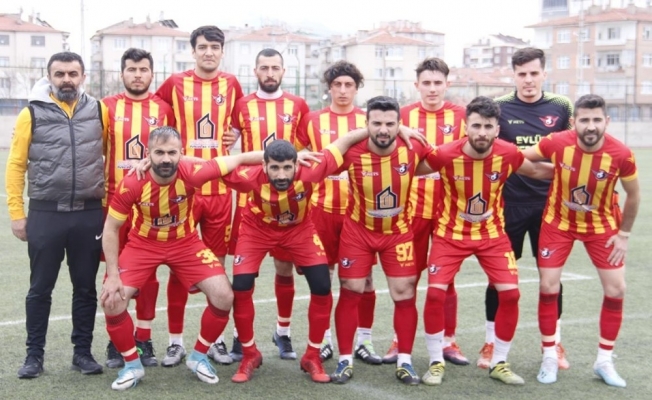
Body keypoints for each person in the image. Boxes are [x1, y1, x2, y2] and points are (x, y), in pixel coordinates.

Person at [101, 126, 263, 390]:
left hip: (185, 243)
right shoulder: (133, 181)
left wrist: (291, 157)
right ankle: (132, 365)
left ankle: (198, 356)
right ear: (148, 154)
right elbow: (111, 228)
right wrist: (112, 275)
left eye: (172, 153)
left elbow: (240, 158)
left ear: (181, 153)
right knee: (111, 300)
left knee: (224, 295)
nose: (166, 159)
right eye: (159, 153)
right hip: (143, 245)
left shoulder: (193, 172)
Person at [417, 96, 552, 386]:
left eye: (488, 126)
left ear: (497, 129)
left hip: (492, 235)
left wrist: (573, 170)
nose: (482, 132)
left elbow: (536, 171)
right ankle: (435, 361)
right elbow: (411, 169)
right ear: (466, 127)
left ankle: (499, 362)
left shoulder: (508, 153)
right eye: (476, 126)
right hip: (450, 235)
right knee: (435, 294)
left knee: (511, 295)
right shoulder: (445, 154)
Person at [222, 132, 374, 384]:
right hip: (256, 231)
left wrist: (383, 128)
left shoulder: (312, 169)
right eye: (274, 168)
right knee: (241, 286)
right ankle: (249, 354)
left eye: (287, 168)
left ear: (296, 164)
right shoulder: (248, 176)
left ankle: (312, 356)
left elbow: (343, 142)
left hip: (299, 230)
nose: (281, 175)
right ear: (264, 166)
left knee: (322, 285)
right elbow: (212, 166)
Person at [527, 94, 639, 387]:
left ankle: (604, 361)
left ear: (607, 121)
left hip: (602, 227)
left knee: (616, 289)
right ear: (574, 122)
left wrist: (624, 235)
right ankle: (549, 355)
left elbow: (634, 195)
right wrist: (550, 171)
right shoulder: (556, 143)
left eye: (597, 120)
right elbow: (523, 158)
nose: (591, 126)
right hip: (558, 224)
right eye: (585, 120)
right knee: (548, 286)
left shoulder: (621, 154)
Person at [6, 51, 105, 378]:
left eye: (72, 74)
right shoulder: (30, 114)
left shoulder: (98, 110)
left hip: (89, 215)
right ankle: (34, 356)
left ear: (83, 77)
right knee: (40, 288)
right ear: (49, 77)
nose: (66, 80)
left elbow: (108, 155)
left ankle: (83, 353)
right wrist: (17, 213)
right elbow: (16, 165)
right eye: (60, 74)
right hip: (46, 214)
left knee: (86, 288)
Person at [478, 47, 574, 370]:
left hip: (550, 207)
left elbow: (571, 149)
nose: (528, 80)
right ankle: (491, 343)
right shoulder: (500, 107)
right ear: (514, 75)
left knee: (551, 279)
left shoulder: (561, 106)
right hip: (508, 206)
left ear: (544, 74)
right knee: (498, 278)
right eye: (522, 74)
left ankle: (554, 344)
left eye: (534, 73)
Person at [155, 25, 243, 367]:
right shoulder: (174, 83)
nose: (209, 52)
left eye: (215, 47)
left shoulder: (232, 84)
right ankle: (175, 342)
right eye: (203, 46)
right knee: (178, 266)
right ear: (193, 51)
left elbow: (238, 124)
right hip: (182, 189)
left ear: (222, 51)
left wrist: (233, 135)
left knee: (215, 267)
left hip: (219, 190)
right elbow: (155, 118)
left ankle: (215, 341)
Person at [329, 96, 431, 386]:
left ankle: (405, 361)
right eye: (376, 123)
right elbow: (325, 161)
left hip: (397, 233)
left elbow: (446, 158)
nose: (383, 130)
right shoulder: (352, 152)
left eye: (390, 124)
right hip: (358, 233)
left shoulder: (414, 147)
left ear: (400, 124)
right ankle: (345, 359)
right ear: (367, 124)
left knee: (404, 292)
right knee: (351, 289)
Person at [222, 48, 310, 363]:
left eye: (275, 67)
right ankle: (240, 336)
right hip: (250, 204)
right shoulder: (242, 106)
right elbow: (227, 145)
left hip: (286, 204)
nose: (270, 73)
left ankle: (282, 332)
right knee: (245, 274)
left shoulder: (298, 105)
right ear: (255, 71)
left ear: (283, 71)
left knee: (284, 269)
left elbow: (305, 151)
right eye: (264, 68)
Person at [383, 57, 468, 366]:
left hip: (449, 212)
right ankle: (399, 340)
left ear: (447, 84)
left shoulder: (462, 116)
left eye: (438, 83)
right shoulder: (402, 116)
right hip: (411, 212)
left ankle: (448, 341)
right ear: (416, 85)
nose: (432, 89)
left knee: (446, 281)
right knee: (407, 278)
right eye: (426, 83)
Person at [296, 60, 381, 364]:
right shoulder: (311, 120)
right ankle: (324, 340)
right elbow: (299, 155)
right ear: (329, 88)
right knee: (323, 279)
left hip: (359, 213)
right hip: (321, 210)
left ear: (357, 88)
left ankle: (364, 340)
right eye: (337, 85)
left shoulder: (368, 120)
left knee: (364, 280)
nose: (343, 90)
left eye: (349, 85)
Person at [101, 48, 175, 369]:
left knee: (149, 273)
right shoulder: (107, 107)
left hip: (152, 204)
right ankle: (117, 342)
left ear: (151, 74)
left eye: (143, 69)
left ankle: (143, 338)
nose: (137, 75)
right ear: (122, 73)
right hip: (114, 202)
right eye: (131, 69)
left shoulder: (163, 109)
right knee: (113, 272)